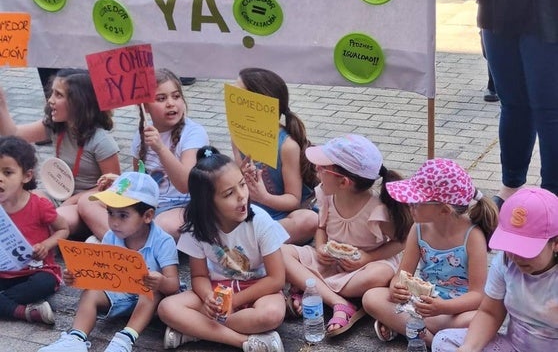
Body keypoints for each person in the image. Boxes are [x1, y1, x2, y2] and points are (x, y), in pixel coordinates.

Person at [281, 134, 414, 337]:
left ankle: (309, 287)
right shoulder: (325, 194)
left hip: (360, 270)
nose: (316, 170)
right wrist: (320, 247)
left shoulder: (376, 211)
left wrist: (368, 258)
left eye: (322, 168)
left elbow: (402, 242)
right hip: (329, 263)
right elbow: (321, 227)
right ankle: (339, 302)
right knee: (281, 252)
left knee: (380, 274)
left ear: (344, 182)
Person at [158, 146, 288, 351]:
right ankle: (245, 342)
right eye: (229, 193)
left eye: (242, 185)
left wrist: (234, 301)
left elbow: (276, 278)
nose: (242, 196)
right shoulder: (196, 227)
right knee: (167, 308)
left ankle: (195, 330)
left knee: (271, 315)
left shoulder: (260, 220)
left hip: (259, 288)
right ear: (207, 203)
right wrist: (209, 297)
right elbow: (199, 276)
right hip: (219, 289)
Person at [38, 171, 180, 352]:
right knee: (90, 292)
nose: (114, 222)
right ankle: (76, 338)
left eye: (123, 215)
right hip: (119, 292)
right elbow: (100, 275)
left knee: (150, 289)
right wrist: (77, 277)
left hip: (151, 301)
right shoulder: (111, 236)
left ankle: (125, 339)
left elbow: (173, 285)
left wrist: (160, 281)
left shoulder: (163, 241)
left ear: (148, 216)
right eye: (110, 213)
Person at [363, 158, 498, 347]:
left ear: (444, 210)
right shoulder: (418, 229)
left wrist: (442, 308)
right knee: (371, 297)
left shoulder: (472, 236)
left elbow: (477, 295)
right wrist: (396, 288)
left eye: (417, 202)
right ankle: (434, 340)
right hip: (423, 304)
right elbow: (403, 275)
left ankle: (411, 329)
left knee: (479, 318)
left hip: (457, 310)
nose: (410, 204)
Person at [78, 68, 208, 241]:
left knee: (164, 225)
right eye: (161, 99)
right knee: (87, 202)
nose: (171, 103)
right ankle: (123, 243)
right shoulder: (140, 136)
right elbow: (141, 183)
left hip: (184, 206)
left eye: (176, 96)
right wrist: (119, 181)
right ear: (145, 107)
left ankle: (117, 242)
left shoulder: (194, 133)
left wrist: (160, 149)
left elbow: (186, 184)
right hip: (149, 205)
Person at [432, 187, 558, 351]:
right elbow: (489, 313)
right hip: (514, 346)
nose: (516, 256)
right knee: (444, 340)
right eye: (510, 246)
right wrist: (469, 347)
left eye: (526, 249)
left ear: (555, 243)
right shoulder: (505, 263)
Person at [0, 68, 121, 238]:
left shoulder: (101, 141)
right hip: (58, 195)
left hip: (84, 205)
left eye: (58, 95)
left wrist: (74, 200)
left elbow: (114, 185)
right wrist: (2, 105)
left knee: (52, 220)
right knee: (23, 200)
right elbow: (14, 135)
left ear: (78, 102)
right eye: (52, 94)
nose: (50, 100)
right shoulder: (55, 126)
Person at [477, 0, 558, 207]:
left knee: (549, 110)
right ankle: (511, 186)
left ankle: (552, 198)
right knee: (512, 104)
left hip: (550, 0)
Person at [231, 67, 319, 244]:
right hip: (247, 212)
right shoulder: (237, 134)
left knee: (309, 220)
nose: (233, 103)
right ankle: (256, 243)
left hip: (280, 218)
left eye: (240, 98)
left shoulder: (287, 146)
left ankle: (254, 244)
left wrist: (263, 197)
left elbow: (293, 200)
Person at [0, 136, 69, 325]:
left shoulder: (39, 205)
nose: (0, 178)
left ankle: (5, 304)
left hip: (36, 272)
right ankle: (26, 312)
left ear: (26, 176)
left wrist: (46, 245)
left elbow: (64, 229)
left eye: (7, 172)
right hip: (4, 273)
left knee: (45, 283)